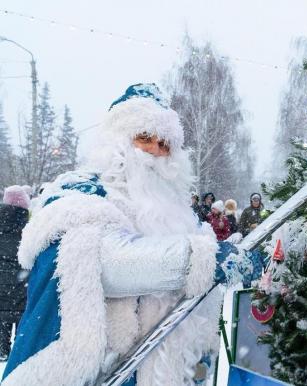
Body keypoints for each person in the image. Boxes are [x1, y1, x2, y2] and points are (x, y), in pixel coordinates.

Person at [1, 83, 262, 386]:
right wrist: (203, 257)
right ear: (117, 140)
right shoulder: (82, 191)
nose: (155, 151)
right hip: (107, 371)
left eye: (165, 144)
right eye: (144, 138)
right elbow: (106, 263)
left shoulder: (179, 212)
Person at [0, 186, 30, 360]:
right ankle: (19, 355)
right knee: (21, 323)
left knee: (2, 318)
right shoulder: (30, 229)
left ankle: (2, 350)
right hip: (22, 285)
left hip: (1, 285)